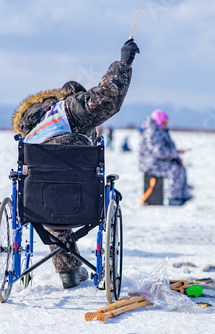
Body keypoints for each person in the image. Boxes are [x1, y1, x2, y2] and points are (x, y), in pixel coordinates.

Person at [11, 39, 140, 288]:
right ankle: (74, 271)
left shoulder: (32, 132)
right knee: (67, 184)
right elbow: (106, 99)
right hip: (82, 201)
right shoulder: (68, 110)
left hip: (38, 206)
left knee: (49, 192)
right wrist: (124, 63)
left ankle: (68, 270)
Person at [138, 109, 190, 206]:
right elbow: (159, 151)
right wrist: (175, 153)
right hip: (151, 164)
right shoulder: (152, 130)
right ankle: (174, 199)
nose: (166, 124)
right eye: (164, 122)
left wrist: (176, 156)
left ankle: (181, 195)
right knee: (175, 170)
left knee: (179, 167)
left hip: (157, 161)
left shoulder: (158, 129)